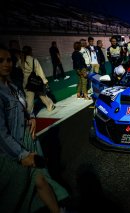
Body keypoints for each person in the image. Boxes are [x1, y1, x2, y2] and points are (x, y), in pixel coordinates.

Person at [0, 45, 68, 213]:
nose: (6, 63)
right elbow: (0, 134)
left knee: (41, 180)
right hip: (12, 151)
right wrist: (22, 154)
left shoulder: (12, 87)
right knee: (13, 196)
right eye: (1, 60)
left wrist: (31, 118)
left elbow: (25, 109)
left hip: (28, 142)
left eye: (9, 59)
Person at [21, 46, 55, 114]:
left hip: (26, 82)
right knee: (42, 95)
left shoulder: (21, 60)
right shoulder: (34, 60)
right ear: (30, 51)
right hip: (35, 81)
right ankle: (50, 106)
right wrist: (45, 81)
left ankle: (29, 113)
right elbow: (39, 71)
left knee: (29, 99)